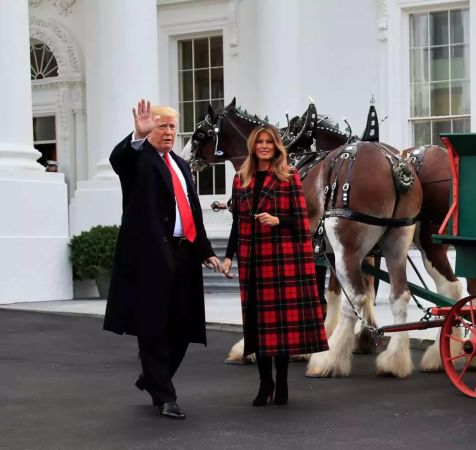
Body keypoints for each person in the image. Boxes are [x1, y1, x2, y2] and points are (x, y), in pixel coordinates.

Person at [104, 99, 221, 419]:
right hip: (151, 257)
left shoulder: (182, 166)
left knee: (183, 326)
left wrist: (207, 251)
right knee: (153, 327)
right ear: (148, 129)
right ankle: (165, 396)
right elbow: (120, 160)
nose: (168, 132)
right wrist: (137, 136)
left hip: (184, 253)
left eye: (172, 127)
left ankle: (153, 377)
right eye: (161, 126)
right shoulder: (139, 159)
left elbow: (193, 213)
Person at [222, 124, 328, 407]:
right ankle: (264, 383)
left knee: (279, 328)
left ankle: (280, 384)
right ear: (253, 146)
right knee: (256, 326)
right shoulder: (240, 179)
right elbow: (236, 223)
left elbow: (302, 222)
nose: (265, 146)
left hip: (280, 262)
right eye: (260, 142)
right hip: (251, 261)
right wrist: (229, 256)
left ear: (276, 146)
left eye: (270, 141)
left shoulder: (288, 176)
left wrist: (278, 220)